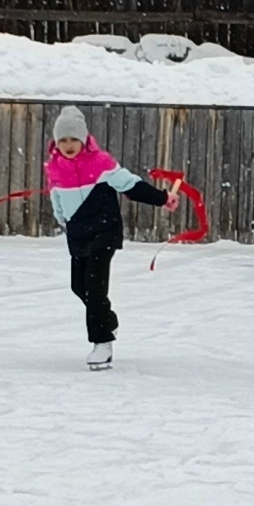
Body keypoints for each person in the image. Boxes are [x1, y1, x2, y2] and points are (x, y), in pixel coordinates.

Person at [44, 105, 179, 370]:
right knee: (79, 286)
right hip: (78, 232)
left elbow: (131, 185)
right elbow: (55, 196)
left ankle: (102, 343)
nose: (69, 145)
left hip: (103, 231)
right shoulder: (55, 168)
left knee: (95, 288)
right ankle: (107, 321)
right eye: (63, 140)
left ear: (84, 139)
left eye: (74, 139)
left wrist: (162, 198)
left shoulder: (101, 163)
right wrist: (64, 219)